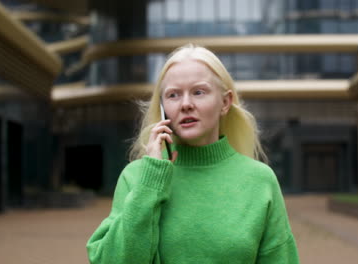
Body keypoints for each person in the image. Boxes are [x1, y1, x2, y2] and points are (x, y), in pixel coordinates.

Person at [86, 44, 299, 264]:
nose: (186, 104)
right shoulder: (136, 177)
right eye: (173, 95)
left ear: (225, 103)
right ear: (162, 107)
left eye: (199, 92)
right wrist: (150, 183)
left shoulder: (260, 180)